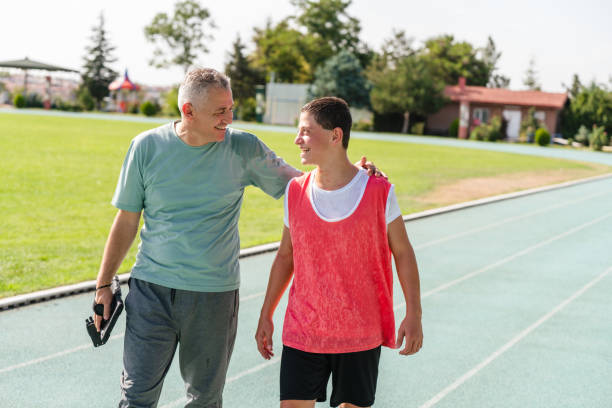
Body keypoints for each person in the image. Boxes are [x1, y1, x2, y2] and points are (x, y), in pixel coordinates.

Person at [93, 68, 379, 407]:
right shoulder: (146, 147)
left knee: (205, 400)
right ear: (188, 111)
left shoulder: (243, 148)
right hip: (150, 291)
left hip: (213, 296)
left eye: (231, 108)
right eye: (220, 112)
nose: (229, 118)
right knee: (135, 396)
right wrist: (102, 285)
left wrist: (357, 177)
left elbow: (302, 187)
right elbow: (126, 220)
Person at [255, 97, 423, 408]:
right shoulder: (295, 192)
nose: (297, 139)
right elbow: (285, 256)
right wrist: (266, 313)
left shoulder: (379, 191)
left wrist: (414, 314)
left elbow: (403, 252)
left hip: (360, 331)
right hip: (304, 329)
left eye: (306, 131)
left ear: (335, 135)